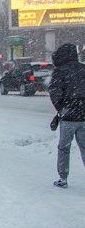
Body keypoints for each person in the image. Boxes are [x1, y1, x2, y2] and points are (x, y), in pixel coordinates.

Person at [48, 43, 85, 188]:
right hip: (84, 115)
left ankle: (63, 178)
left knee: (64, 148)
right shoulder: (83, 69)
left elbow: (55, 92)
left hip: (69, 116)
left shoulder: (60, 71)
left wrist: (62, 108)